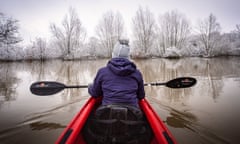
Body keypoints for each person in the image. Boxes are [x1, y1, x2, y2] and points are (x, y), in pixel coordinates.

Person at [88, 39, 145, 108]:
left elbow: (95, 93)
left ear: (113, 55)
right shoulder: (137, 73)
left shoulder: (102, 72)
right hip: (132, 113)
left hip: (107, 113)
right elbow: (141, 96)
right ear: (128, 56)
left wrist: (90, 86)